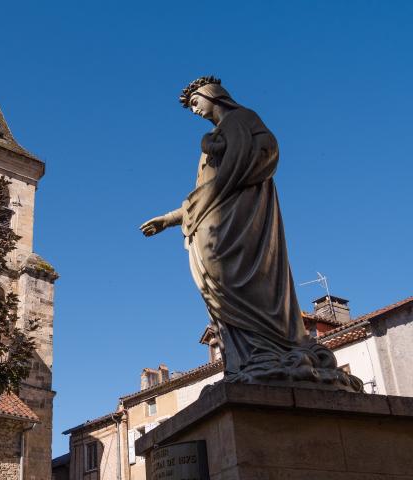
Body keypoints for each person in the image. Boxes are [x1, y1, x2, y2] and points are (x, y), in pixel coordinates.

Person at [140, 76, 361, 391]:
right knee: (219, 294)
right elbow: (200, 194)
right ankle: (248, 358)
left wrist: (230, 169)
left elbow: (265, 153)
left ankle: (270, 353)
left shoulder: (241, 119)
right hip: (212, 223)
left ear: (211, 94)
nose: (194, 110)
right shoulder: (213, 140)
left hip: (241, 224)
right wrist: (169, 218)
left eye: (194, 102)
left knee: (242, 284)